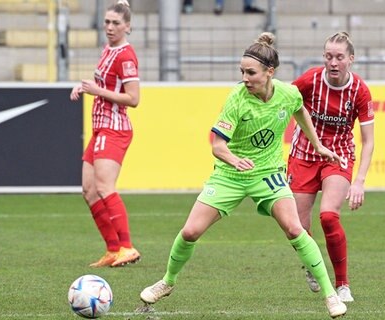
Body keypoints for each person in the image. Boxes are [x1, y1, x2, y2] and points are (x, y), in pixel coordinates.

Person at [139, 32, 348, 318]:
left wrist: (317, 144)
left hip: (268, 173)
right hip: (230, 174)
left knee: (294, 228)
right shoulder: (237, 99)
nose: (245, 78)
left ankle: (330, 295)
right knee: (190, 231)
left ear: (269, 72)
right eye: (242, 72)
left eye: (250, 72)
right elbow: (216, 145)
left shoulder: (288, 93)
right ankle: (167, 282)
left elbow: (299, 111)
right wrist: (235, 160)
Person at [287, 32, 375, 303]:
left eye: (339, 57)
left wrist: (359, 181)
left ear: (351, 59)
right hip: (303, 155)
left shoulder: (359, 91)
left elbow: (369, 141)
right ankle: (314, 266)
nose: (333, 62)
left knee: (328, 215)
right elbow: (283, 98)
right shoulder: (310, 80)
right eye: (328, 56)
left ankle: (342, 284)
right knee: (296, 228)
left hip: (338, 157)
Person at [70, 0, 141, 268]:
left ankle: (127, 247)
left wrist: (97, 91)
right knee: (89, 191)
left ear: (127, 27)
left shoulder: (125, 56)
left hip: (115, 129)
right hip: (100, 127)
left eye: (116, 23)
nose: (110, 27)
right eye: (107, 22)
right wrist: (83, 87)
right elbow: (104, 83)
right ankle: (113, 249)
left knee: (104, 187)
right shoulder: (108, 49)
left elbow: (133, 99)